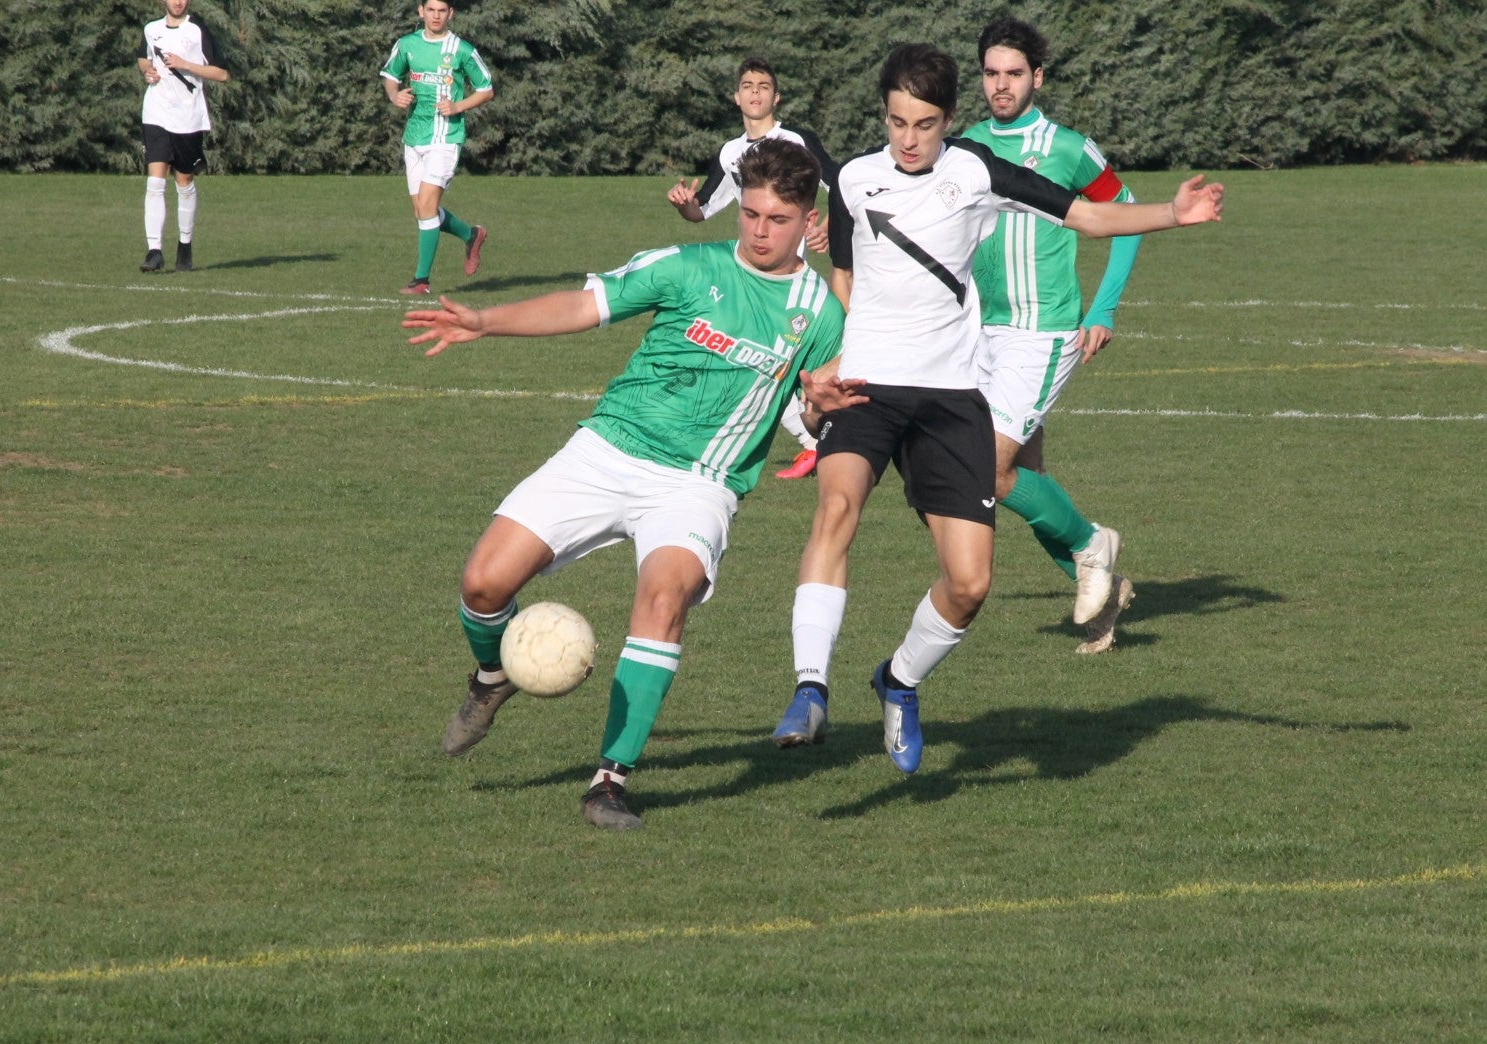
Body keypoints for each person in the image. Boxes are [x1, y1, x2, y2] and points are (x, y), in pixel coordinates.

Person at [769, 43, 1223, 771]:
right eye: (894, 122)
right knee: (836, 509)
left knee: (971, 583)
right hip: (867, 388)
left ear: (950, 119)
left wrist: (1171, 213)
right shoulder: (852, 178)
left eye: (922, 124)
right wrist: (830, 362)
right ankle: (809, 688)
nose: (907, 139)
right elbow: (845, 277)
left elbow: (1085, 216)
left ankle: (899, 680)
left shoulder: (976, 169)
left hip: (950, 397)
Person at [404, 139, 859, 831]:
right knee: (482, 585)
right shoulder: (683, 265)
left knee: (663, 595)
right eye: (752, 214)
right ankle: (492, 677)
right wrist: (486, 321)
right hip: (607, 450)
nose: (761, 230)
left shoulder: (820, 314)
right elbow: (582, 307)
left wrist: (820, 411)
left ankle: (609, 780)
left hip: (698, 484)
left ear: (807, 221)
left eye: (779, 218)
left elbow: (814, 406)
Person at [959, 18, 1144, 654]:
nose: (1001, 85)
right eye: (991, 73)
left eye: (1014, 73)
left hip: (1042, 331)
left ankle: (1094, 546)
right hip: (978, 333)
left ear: (1037, 77)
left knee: (986, 464)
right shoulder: (965, 148)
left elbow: (1126, 216)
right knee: (1024, 477)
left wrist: (1104, 309)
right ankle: (1102, 600)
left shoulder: (1066, 147)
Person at [667, 57, 839, 482]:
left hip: (788, 277)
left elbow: (841, 184)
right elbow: (703, 209)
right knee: (757, 358)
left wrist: (832, 226)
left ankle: (822, 439)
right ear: (736, 96)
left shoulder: (798, 140)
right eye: (747, 85)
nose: (755, 92)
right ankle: (817, 442)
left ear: (776, 97)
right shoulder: (730, 153)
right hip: (746, 272)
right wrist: (687, 205)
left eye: (764, 85)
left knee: (764, 359)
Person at [381, 0, 493, 296]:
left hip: (445, 137)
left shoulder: (462, 50)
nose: (436, 15)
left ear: (450, 14)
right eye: (430, 10)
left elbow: (486, 89)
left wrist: (458, 105)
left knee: (428, 206)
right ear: (421, 12)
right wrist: (395, 97)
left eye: (442, 11)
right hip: (414, 136)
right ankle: (471, 234)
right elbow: (391, 77)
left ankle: (421, 281)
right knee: (421, 211)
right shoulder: (406, 45)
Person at [136, 0, 229, 273]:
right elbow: (143, 57)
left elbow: (222, 74)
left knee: (184, 180)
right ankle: (154, 251)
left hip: (187, 116)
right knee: (155, 180)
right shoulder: (151, 29)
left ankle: (185, 245)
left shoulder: (197, 29)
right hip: (155, 113)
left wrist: (185, 64)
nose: (178, 1)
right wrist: (148, 71)